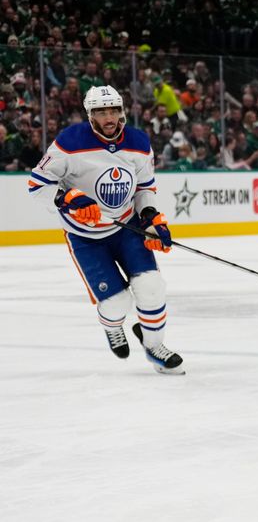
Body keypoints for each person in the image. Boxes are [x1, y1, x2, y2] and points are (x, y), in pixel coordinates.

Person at [27, 85, 184, 375]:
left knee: (151, 287)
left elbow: (145, 187)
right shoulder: (70, 142)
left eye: (113, 110)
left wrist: (150, 216)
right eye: (101, 112)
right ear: (91, 115)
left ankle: (154, 347)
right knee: (116, 303)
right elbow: (37, 185)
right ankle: (112, 327)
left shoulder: (138, 141)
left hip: (127, 228)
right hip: (86, 236)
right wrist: (67, 198)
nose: (109, 117)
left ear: (121, 110)